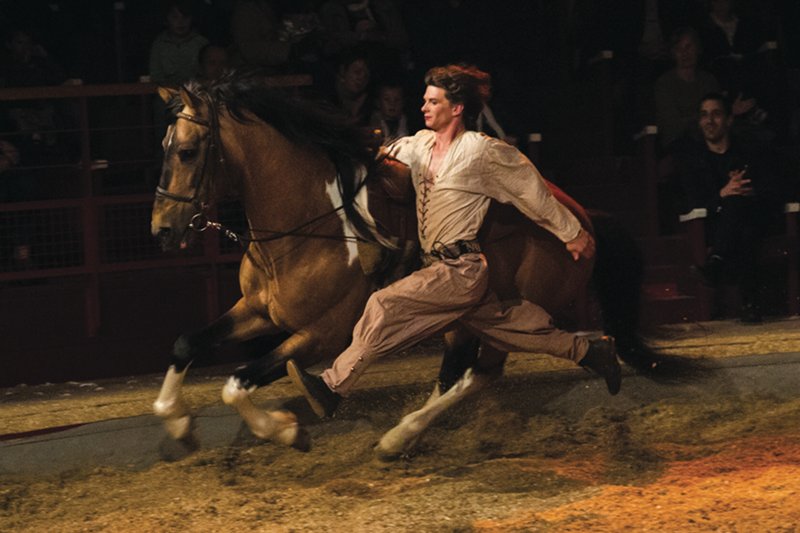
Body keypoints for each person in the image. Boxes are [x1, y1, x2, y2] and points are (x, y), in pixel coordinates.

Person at [286, 64, 621, 419]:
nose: (423, 107)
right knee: (515, 327)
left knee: (383, 306)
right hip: (445, 271)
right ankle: (591, 353)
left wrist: (571, 233)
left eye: (433, 101)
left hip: (460, 269)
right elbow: (381, 157)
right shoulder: (418, 145)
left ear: (457, 108)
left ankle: (331, 388)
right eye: (424, 100)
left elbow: (531, 192)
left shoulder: (481, 152)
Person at [673, 92, 782, 323]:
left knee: (740, 205)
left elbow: (773, 189)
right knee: (741, 225)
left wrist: (752, 192)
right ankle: (750, 304)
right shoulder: (694, 160)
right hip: (716, 224)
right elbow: (692, 203)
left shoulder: (749, 151)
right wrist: (722, 195)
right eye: (704, 115)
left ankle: (717, 262)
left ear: (729, 120)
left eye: (715, 114)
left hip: (756, 217)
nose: (709, 121)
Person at [148, 0, 209, 87]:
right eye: (175, 17)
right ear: (166, 19)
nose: (181, 22)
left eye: (185, 17)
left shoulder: (201, 43)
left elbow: (209, 73)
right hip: (168, 94)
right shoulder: (159, 44)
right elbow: (155, 76)